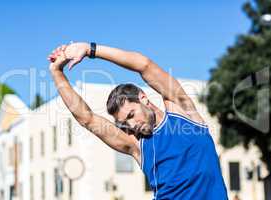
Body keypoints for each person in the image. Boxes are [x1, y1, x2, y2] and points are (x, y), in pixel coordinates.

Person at [48, 42, 228, 200]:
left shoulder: (181, 111)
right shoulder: (137, 145)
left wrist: (90, 49)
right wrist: (56, 72)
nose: (132, 126)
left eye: (131, 115)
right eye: (125, 124)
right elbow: (87, 118)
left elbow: (144, 65)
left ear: (143, 98)